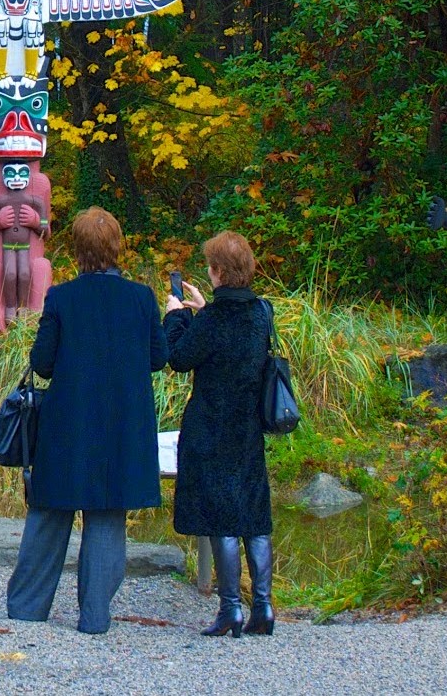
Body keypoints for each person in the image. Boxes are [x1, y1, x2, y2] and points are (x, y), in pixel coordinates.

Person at [6, 207, 168, 635]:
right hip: (121, 425)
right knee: (106, 514)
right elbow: (158, 357)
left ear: (77, 250)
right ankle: (95, 617)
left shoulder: (61, 297)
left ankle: (27, 608)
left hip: (68, 423)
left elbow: (42, 364)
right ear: (117, 247)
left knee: (50, 512)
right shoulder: (140, 298)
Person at [164, 229, 276, 637]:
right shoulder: (262, 311)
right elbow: (235, 339)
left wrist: (177, 314)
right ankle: (263, 607)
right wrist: (202, 309)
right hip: (249, 426)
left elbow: (178, 358)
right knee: (254, 515)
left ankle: (230, 608)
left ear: (216, 271)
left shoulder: (211, 320)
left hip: (211, 426)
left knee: (222, 517)